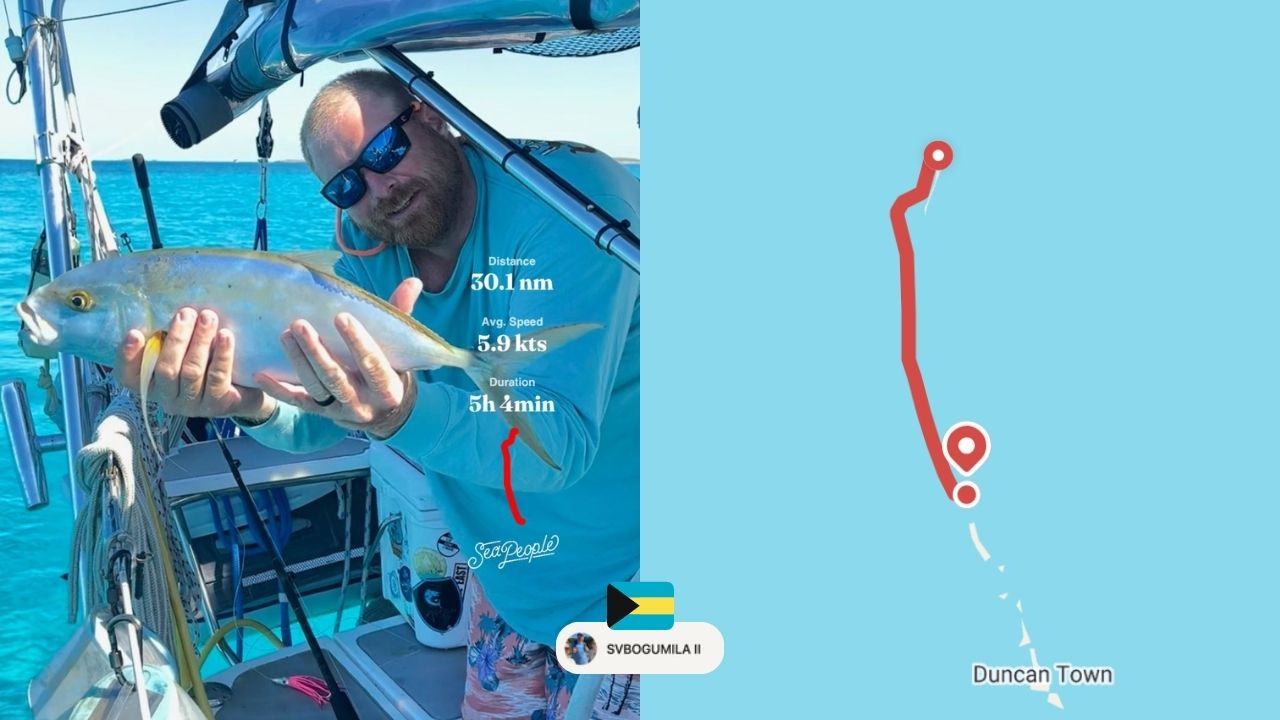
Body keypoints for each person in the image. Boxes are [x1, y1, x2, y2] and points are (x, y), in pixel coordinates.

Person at [116, 69, 639, 720]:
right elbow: (319, 420)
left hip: (634, 583)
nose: (378, 190)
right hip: (509, 584)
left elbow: (555, 446)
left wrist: (402, 413)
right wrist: (249, 405)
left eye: (386, 152)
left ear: (430, 113)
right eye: (347, 185)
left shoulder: (566, 204)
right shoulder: (372, 248)